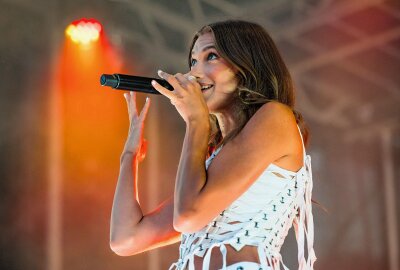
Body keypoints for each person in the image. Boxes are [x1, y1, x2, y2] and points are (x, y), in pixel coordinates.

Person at [110, 20, 316, 270]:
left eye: (211, 57)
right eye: (193, 61)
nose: (194, 73)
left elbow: (188, 217)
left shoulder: (275, 117)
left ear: (246, 65)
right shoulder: (213, 160)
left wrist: (196, 121)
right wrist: (129, 156)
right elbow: (126, 239)